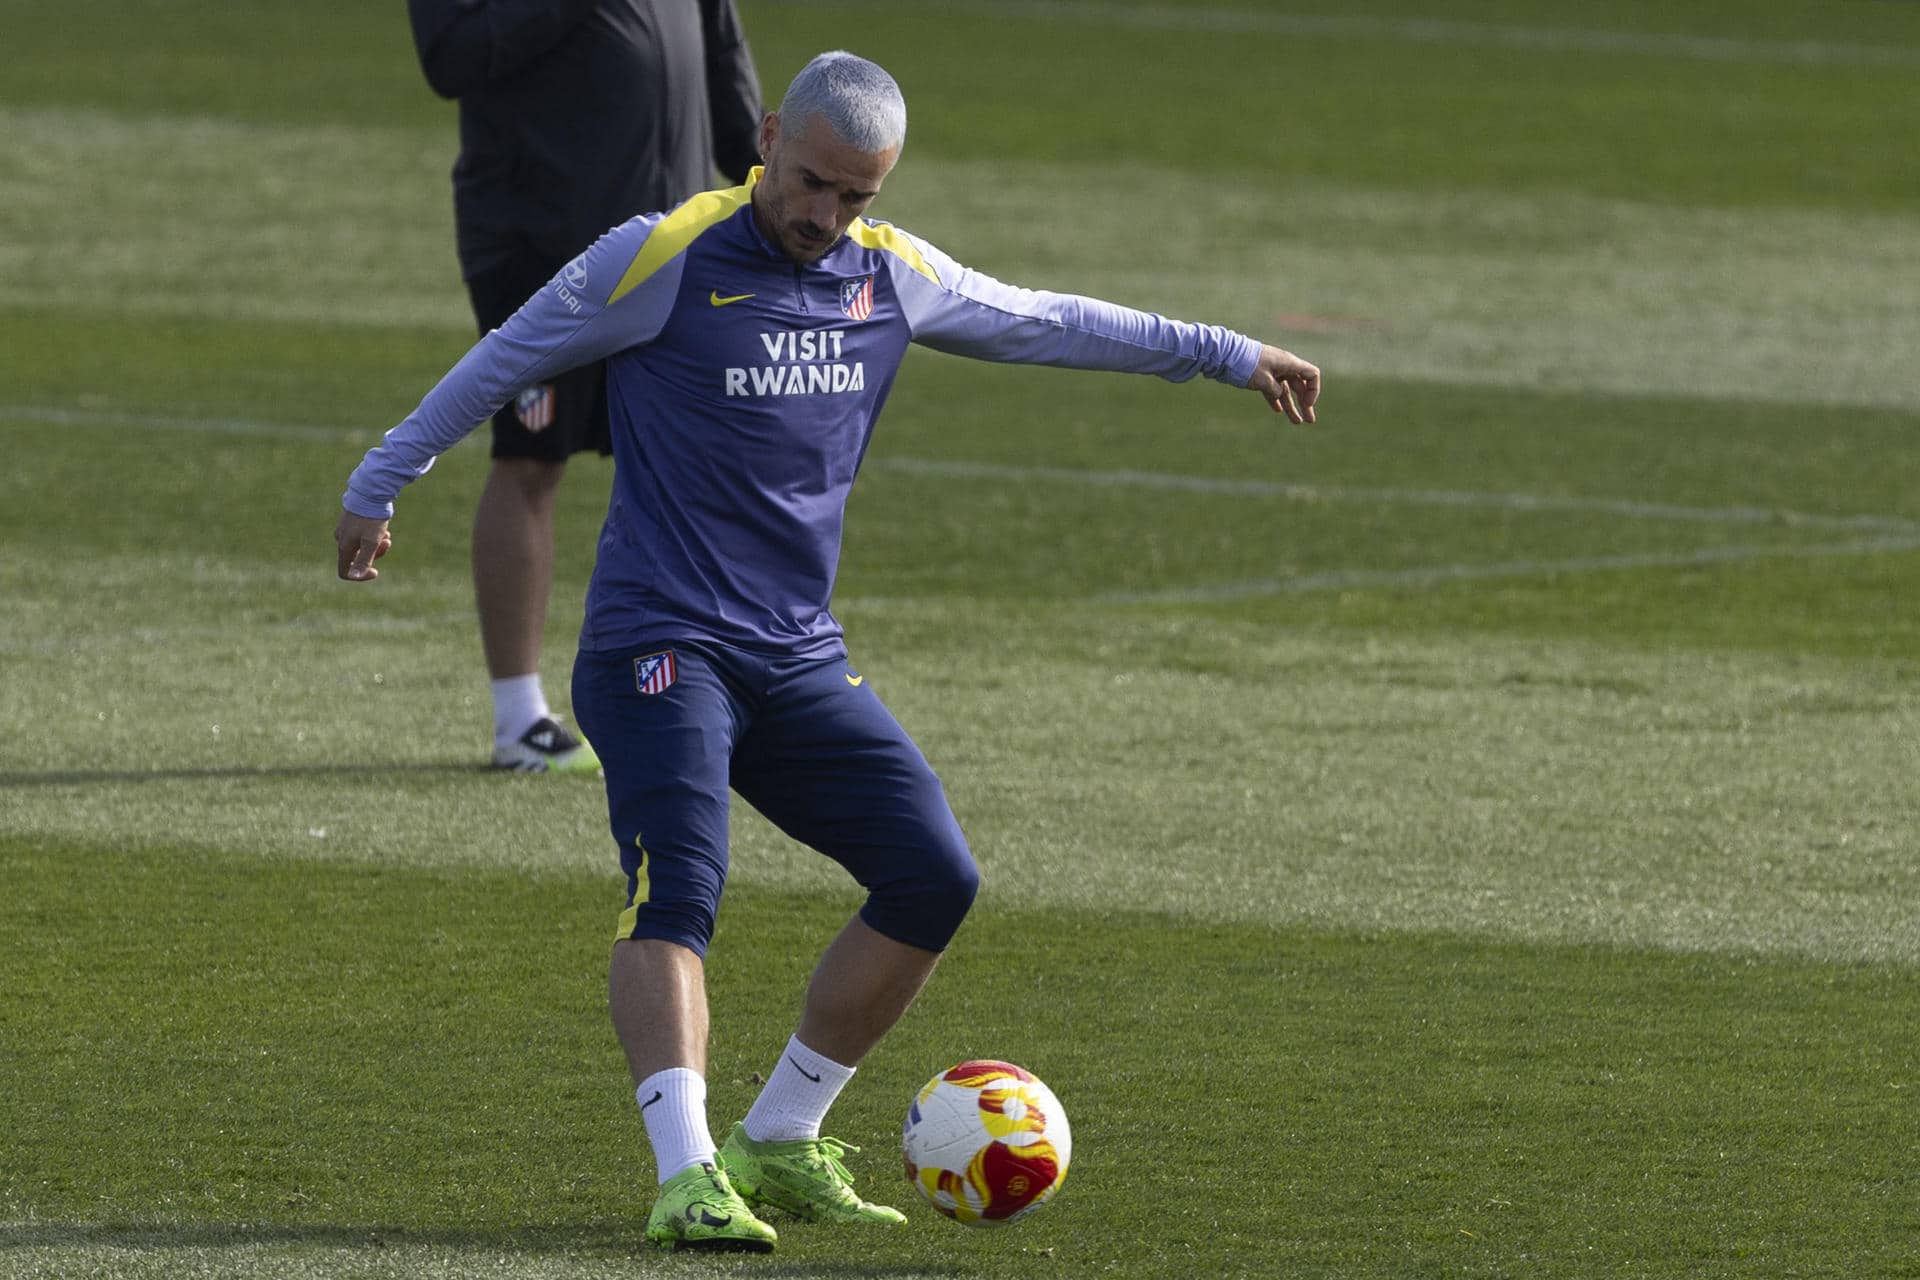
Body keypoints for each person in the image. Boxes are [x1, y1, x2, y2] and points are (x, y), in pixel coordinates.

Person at [335, 51, 1320, 1252]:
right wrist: (382, 479)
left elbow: (1044, 319)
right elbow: (508, 357)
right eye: (810, 184)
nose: (825, 216)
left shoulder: (888, 276)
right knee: (681, 889)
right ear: (766, 138)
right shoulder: (661, 255)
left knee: (932, 875)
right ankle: (687, 1170)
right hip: (660, 642)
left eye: (855, 196)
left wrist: (1226, 350)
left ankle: (783, 1134)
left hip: (797, 655)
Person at [407, 0, 763, 772]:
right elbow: (451, 57)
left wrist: (775, 174)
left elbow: (720, 52)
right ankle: (518, 719)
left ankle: (691, 689)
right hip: (541, 244)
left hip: (674, 242)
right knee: (533, 458)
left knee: (685, 463)